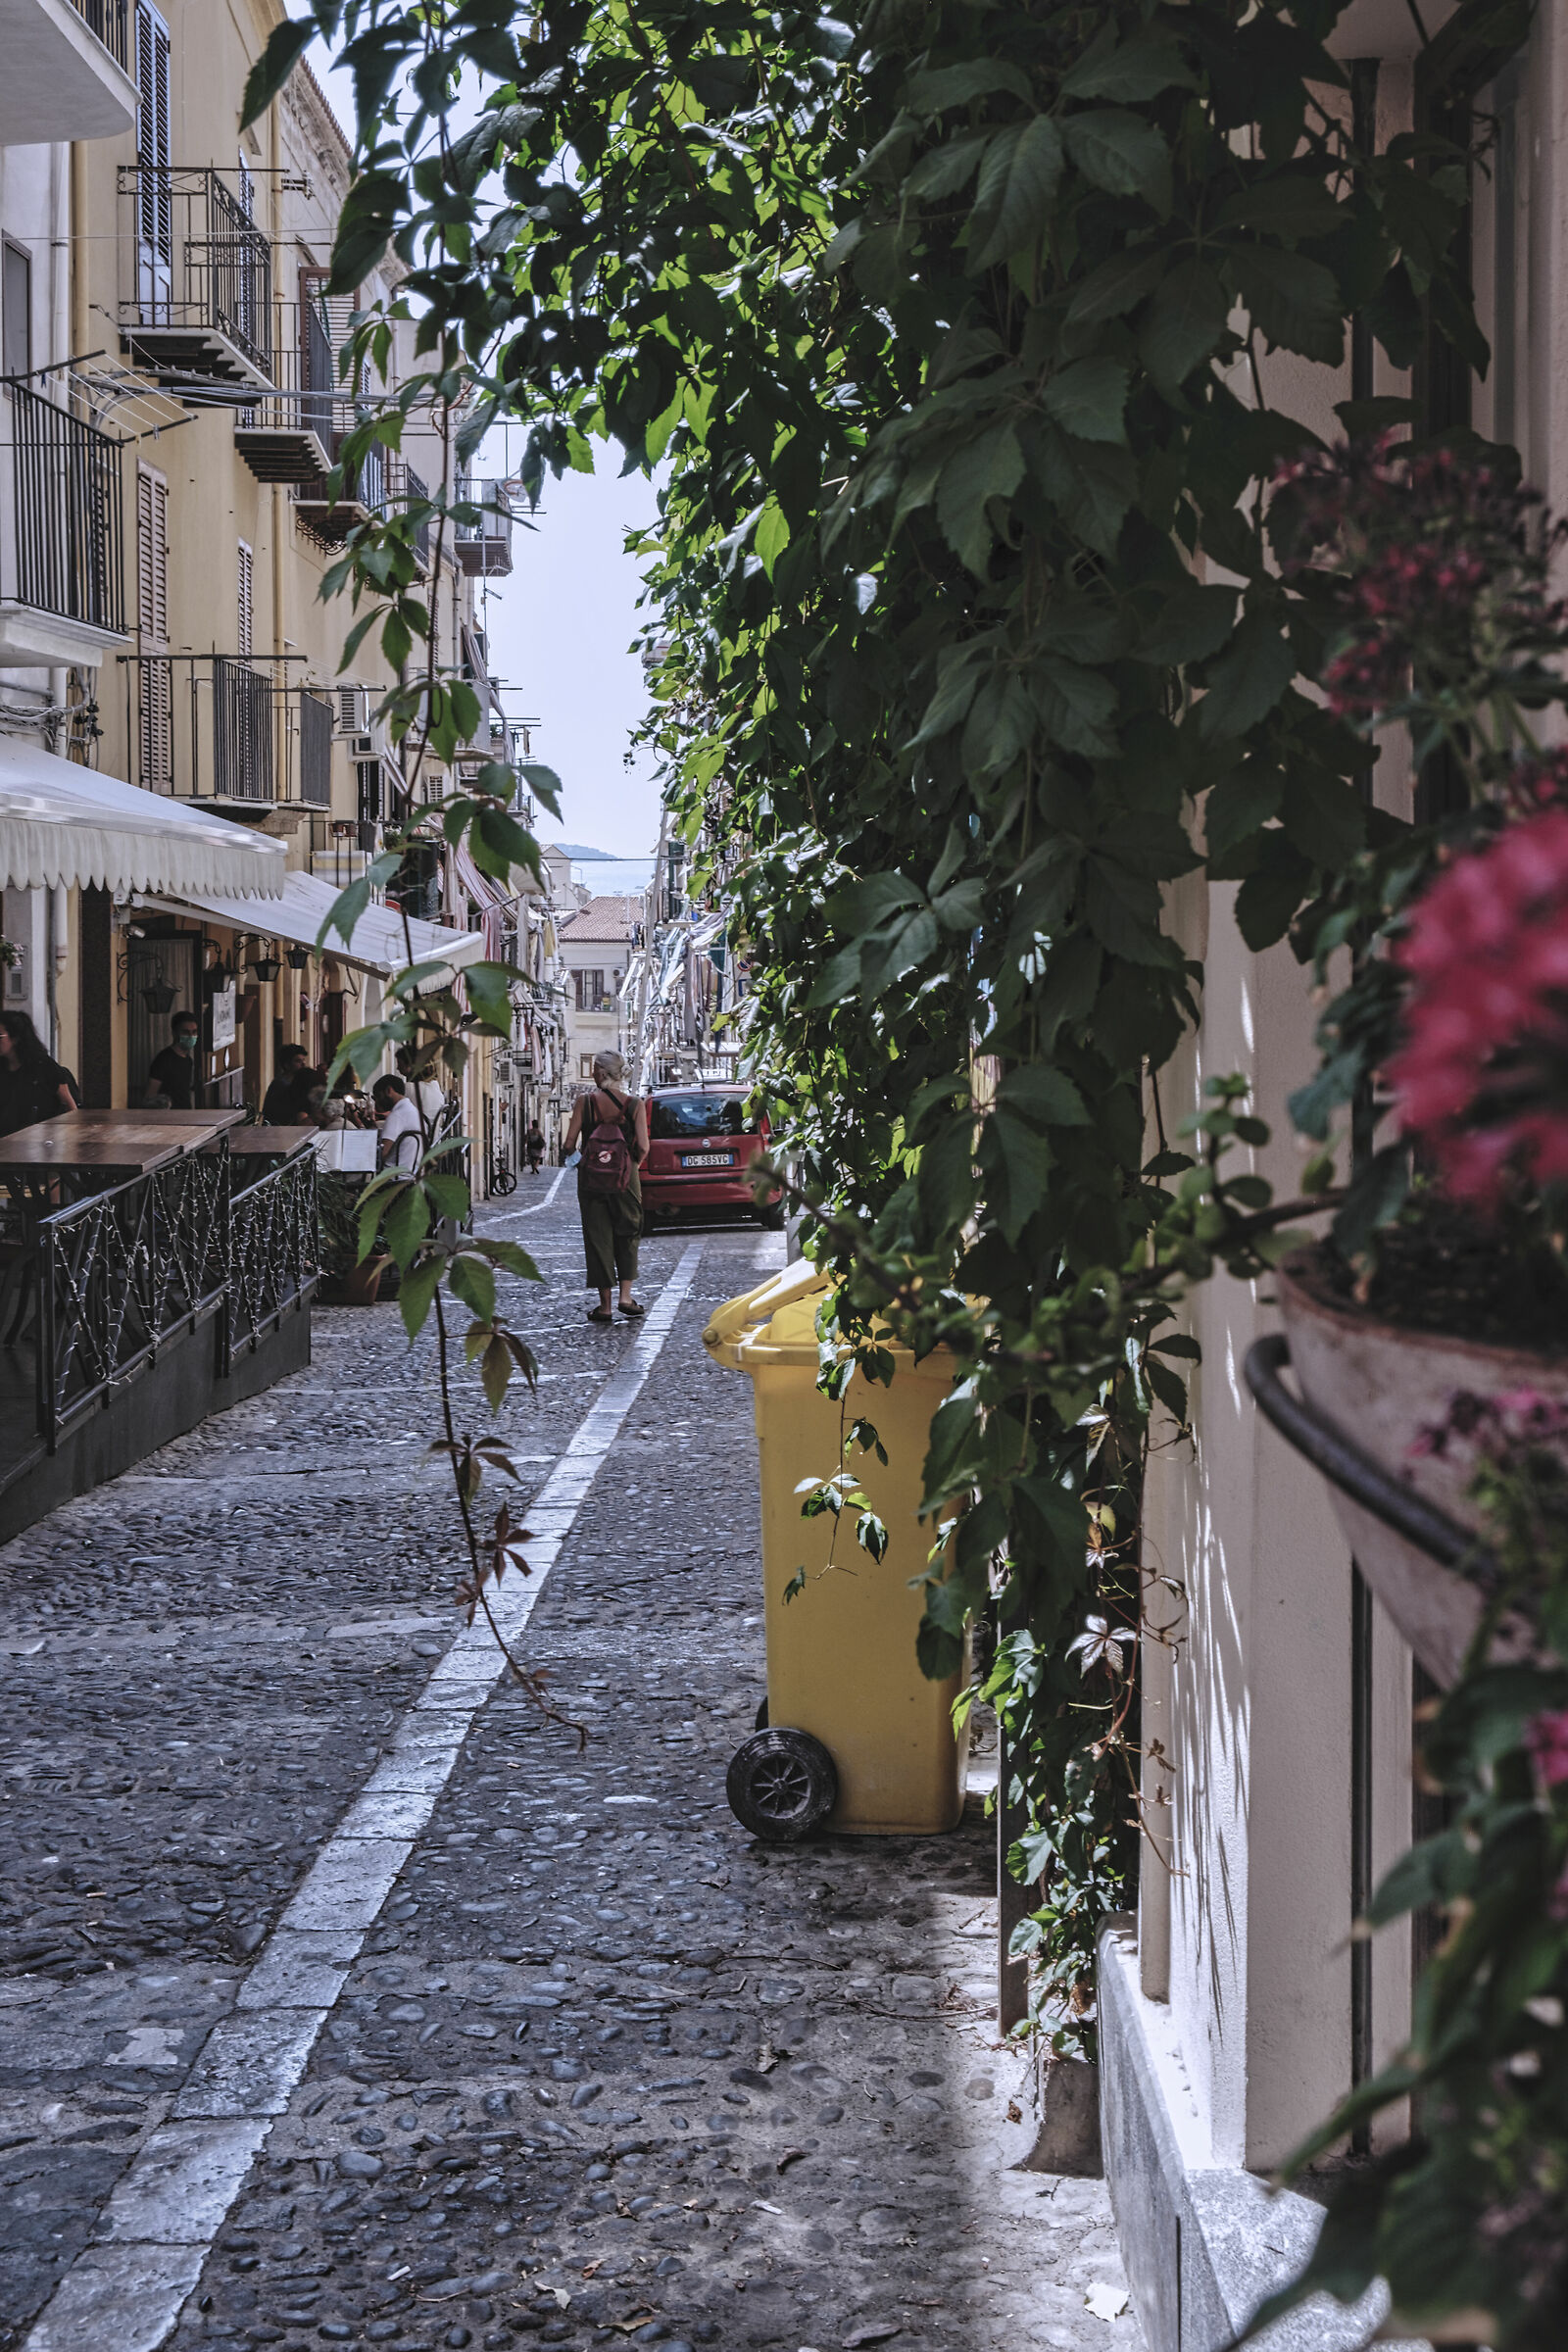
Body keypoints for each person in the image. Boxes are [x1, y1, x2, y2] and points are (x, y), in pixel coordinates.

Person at [562, 1050, 647, 1323]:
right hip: (626, 1177)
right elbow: (643, 1146)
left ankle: (606, 1305)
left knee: (597, 1237)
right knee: (629, 1231)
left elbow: (568, 1144)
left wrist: (578, 1162)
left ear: (600, 1071)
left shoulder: (584, 1103)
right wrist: (631, 1165)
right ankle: (626, 1296)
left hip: (592, 1178)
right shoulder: (635, 1104)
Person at [0, 1011, 78, 1137]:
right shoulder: (3, 1067)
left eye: (0, 1036)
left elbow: (69, 1105)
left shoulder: (44, 1066)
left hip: (39, 1141)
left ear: (15, 1038)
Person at [145, 1009, 202, 1110]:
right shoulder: (163, 1059)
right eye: (186, 1032)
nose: (191, 1036)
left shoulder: (188, 1060)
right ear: (175, 1033)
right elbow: (150, 1096)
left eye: (194, 1032)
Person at [374, 1072, 422, 1173]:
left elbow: (383, 1153)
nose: (377, 1102)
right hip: (412, 1172)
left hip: (393, 1176)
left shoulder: (397, 1115)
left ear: (389, 1091)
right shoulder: (412, 1110)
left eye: (378, 1096)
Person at [261, 1044, 313, 1125]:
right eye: (298, 1061)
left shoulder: (299, 1082)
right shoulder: (280, 1085)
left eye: (303, 1060)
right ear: (287, 1065)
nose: (303, 1064)